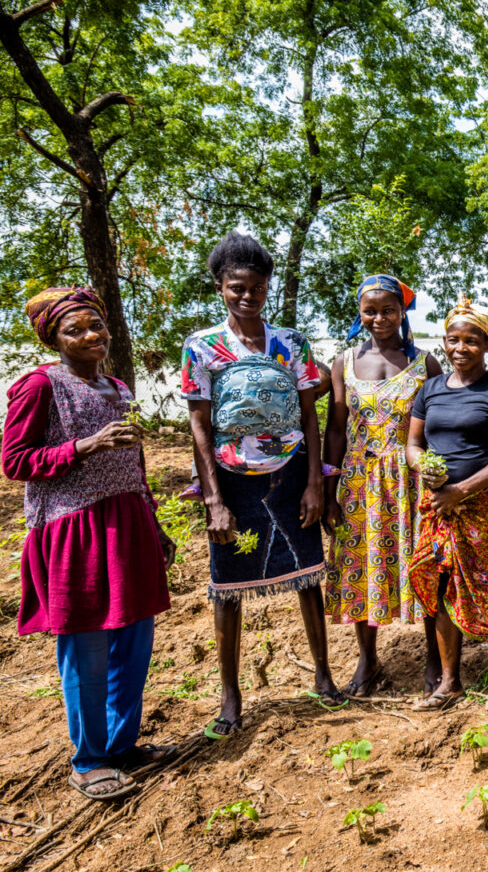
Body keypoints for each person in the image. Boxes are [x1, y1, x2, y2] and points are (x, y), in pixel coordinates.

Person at [3, 287, 174, 800]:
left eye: (95, 325)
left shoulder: (117, 387)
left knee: (134, 641)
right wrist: (83, 445)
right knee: (87, 645)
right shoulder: (40, 386)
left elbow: (133, 462)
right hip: (74, 528)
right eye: (74, 329)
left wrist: (155, 521)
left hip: (129, 523)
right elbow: (14, 461)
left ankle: (122, 745)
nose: (90, 335)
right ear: (53, 338)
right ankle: (89, 760)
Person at [181, 233, 341, 739]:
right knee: (227, 585)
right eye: (236, 287)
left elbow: (311, 418)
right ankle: (230, 698)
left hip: (291, 471)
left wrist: (315, 482)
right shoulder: (202, 347)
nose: (247, 295)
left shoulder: (291, 343)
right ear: (219, 286)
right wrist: (213, 500)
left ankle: (323, 675)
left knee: (308, 574)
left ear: (268, 285)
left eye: (257, 286)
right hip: (231, 477)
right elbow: (200, 426)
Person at [323, 274, 441, 696]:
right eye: (369, 311)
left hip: (411, 479)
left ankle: (434, 655)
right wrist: (327, 489)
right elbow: (336, 429)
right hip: (359, 480)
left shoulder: (425, 362)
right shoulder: (344, 361)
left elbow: (439, 425)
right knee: (359, 564)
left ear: (402, 311)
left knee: (423, 564)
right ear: (360, 313)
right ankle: (367, 658)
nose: (379, 318)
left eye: (388, 309)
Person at [406, 299, 488, 711]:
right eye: (453, 340)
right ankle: (449, 681)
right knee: (439, 586)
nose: (461, 348)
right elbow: (413, 444)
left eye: (471, 341)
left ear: (487, 344)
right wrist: (428, 472)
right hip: (439, 506)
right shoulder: (431, 389)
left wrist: (464, 490)